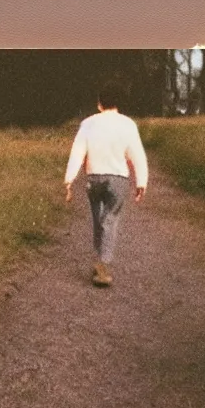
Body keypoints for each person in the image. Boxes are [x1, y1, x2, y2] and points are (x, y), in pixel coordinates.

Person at [64, 82, 147, 286]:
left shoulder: (88, 123)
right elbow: (137, 155)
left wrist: (69, 179)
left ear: (99, 103)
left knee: (98, 219)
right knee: (110, 219)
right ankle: (103, 264)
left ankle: (100, 261)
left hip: (94, 177)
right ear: (119, 103)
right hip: (118, 178)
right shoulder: (128, 124)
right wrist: (141, 182)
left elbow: (78, 152)